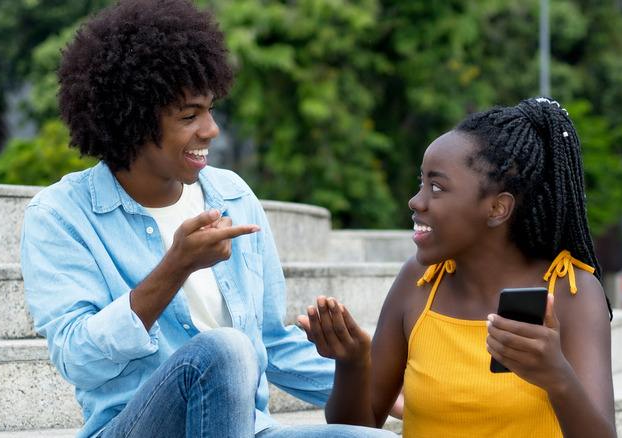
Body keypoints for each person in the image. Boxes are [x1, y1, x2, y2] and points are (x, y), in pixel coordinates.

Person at [20, 1, 397, 437]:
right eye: (189, 115)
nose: (211, 129)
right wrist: (175, 266)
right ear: (133, 121)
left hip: (246, 427)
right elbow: (77, 358)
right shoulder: (61, 215)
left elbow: (270, 343)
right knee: (226, 349)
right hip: (134, 428)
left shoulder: (232, 195)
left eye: (210, 109)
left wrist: (396, 390)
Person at [298, 97, 617, 437]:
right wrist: (352, 364)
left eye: (436, 187)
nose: (416, 201)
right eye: (421, 183)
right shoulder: (418, 282)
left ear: (497, 208)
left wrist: (557, 377)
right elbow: (361, 429)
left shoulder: (571, 291)